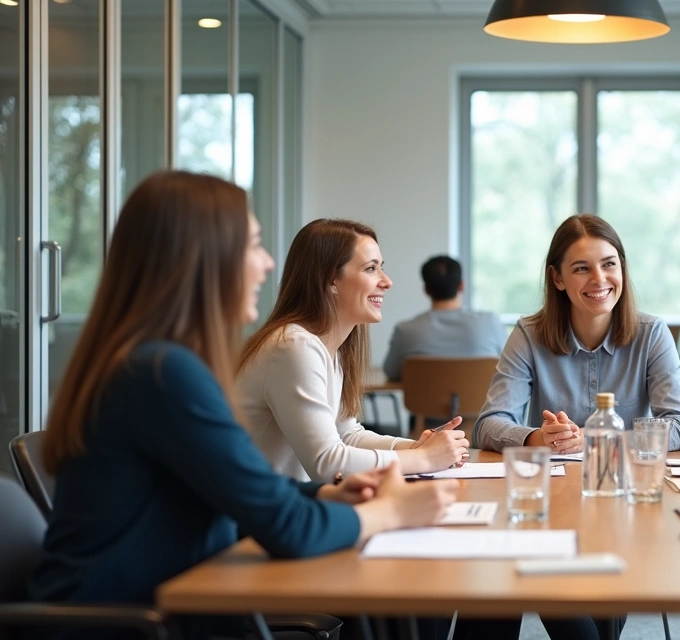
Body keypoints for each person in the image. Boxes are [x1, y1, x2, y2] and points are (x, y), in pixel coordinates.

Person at [27, 171, 462, 639]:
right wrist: (393, 511)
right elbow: (286, 526)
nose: (268, 263)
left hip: (173, 597)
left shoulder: (156, 363)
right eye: (253, 245)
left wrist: (327, 494)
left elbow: (237, 484)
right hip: (126, 623)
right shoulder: (161, 374)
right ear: (203, 259)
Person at [237, 219, 469, 483]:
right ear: (330, 281)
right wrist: (425, 458)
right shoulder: (293, 346)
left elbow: (348, 434)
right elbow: (327, 464)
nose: (387, 281)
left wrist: (416, 448)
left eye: (382, 268)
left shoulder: (327, 348)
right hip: (261, 520)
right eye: (371, 269)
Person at [473, 213, 680, 454]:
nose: (599, 279)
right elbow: (487, 426)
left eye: (609, 264)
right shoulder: (528, 335)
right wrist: (538, 438)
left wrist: (595, 438)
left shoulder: (652, 334)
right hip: (554, 483)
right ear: (558, 278)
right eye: (581, 268)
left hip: (628, 482)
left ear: (622, 267)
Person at [382, 255, 506, 382]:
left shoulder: (405, 331)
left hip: (425, 402)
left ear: (426, 290)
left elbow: (391, 372)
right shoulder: (491, 322)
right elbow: (509, 368)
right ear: (462, 285)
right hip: (483, 402)